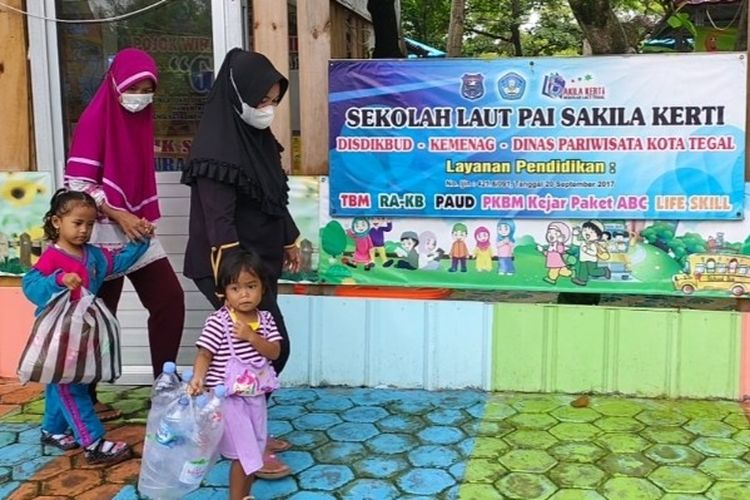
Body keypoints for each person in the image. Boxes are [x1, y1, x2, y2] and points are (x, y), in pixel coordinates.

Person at [181, 48, 300, 479]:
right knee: (261, 352)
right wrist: (237, 286)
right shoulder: (217, 150)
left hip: (255, 269)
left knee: (262, 353)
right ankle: (244, 445)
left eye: (273, 100)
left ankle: (252, 431)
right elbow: (219, 221)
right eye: (261, 100)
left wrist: (289, 237)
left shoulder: (257, 141)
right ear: (238, 95)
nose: (267, 109)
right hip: (232, 273)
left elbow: (272, 194)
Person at [64, 48, 185, 421]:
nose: (141, 96)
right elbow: (78, 184)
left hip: (133, 233)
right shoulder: (94, 120)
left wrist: (139, 219)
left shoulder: (139, 121)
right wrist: (119, 214)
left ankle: (163, 388)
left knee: (169, 300)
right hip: (98, 236)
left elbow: (134, 181)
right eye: (135, 87)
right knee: (97, 317)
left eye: (149, 88)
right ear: (117, 83)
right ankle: (86, 400)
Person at [22, 189, 149, 465]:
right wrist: (57, 280)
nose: (84, 230)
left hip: (84, 333)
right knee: (72, 385)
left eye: (89, 224)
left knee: (61, 382)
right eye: (77, 223)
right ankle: (92, 442)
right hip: (60, 335)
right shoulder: (52, 258)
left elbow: (120, 260)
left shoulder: (93, 255)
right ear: (57, 222)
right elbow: (30, 286)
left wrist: (143, 240)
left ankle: (53, 430)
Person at [187, 252, 281, 500]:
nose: (244, 294)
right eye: (235, 288)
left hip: (256, 399)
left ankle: (245, 495)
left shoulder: (266, 320)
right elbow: (204, 353)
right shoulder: (218, 322)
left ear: (263, 288)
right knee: (245, 454)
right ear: (224, 292)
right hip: (229, 401)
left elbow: (274, 351)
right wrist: (198, 378)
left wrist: (252, 337)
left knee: (256, 447)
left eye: (251, 286)